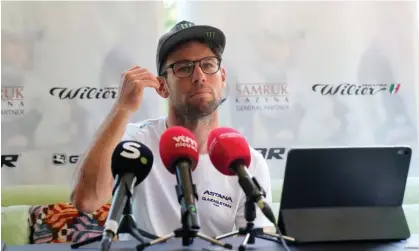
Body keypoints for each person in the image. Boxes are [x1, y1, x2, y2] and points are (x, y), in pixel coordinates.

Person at [71, 20, 274, 239]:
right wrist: (122, 108)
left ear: (222, 77)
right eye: (184, 68)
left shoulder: (247, 161)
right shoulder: (135, 142)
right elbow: (87, 201)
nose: (199, 77)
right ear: (162, 87)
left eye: (207, 64)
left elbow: (256, 242)